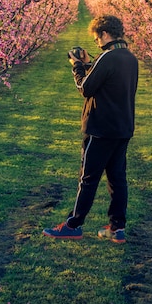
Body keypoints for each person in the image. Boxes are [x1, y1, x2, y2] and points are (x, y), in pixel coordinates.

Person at [43, 14, 138, 244]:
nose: (96, 43)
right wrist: (89, 64)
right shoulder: (129, 58)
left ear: (105, 34)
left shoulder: (108, 57)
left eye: (97, 38)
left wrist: (77, 66)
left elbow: (85, 88)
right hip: (122, 128)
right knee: (117, 179)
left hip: (100, 129)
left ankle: (73, 225)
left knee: (88, 178)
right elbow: (106, 80)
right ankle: (117, 228)